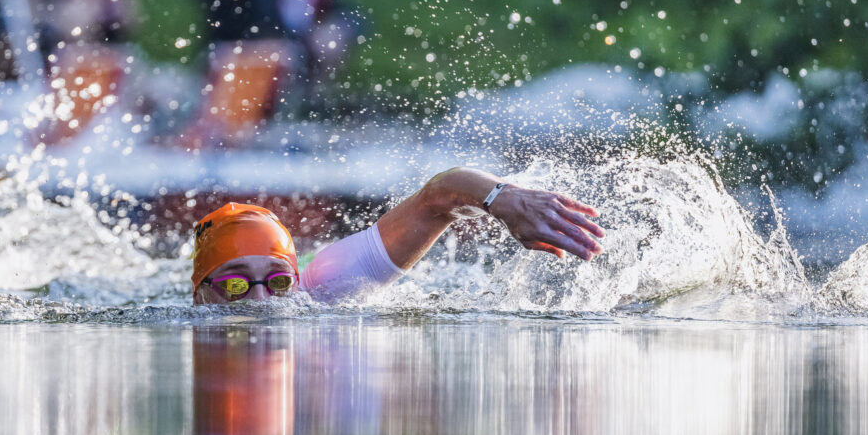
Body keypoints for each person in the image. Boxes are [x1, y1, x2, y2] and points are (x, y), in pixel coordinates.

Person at [192, 167, 605, 304]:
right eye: (235, 284)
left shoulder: (326, 285)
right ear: (202, 293)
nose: (262, 300)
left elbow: (437, 195)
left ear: (296, 279)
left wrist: (504, 198)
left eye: (279, 281)